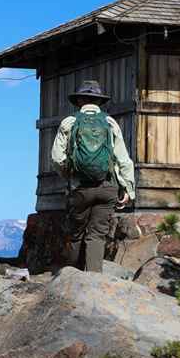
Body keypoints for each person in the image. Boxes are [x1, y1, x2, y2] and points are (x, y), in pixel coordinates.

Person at [51, 80, 135, 272]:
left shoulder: (70, 122)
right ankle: (93, 281)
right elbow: (123, 159)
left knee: (75, 234)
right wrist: (128, 189)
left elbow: (57, 157)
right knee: (97, 235)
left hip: (80, 188)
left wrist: (69, 175)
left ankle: (71, 279)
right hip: (107, 188)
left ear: (79, 100)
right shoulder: (109, 122)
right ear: (99, 101)